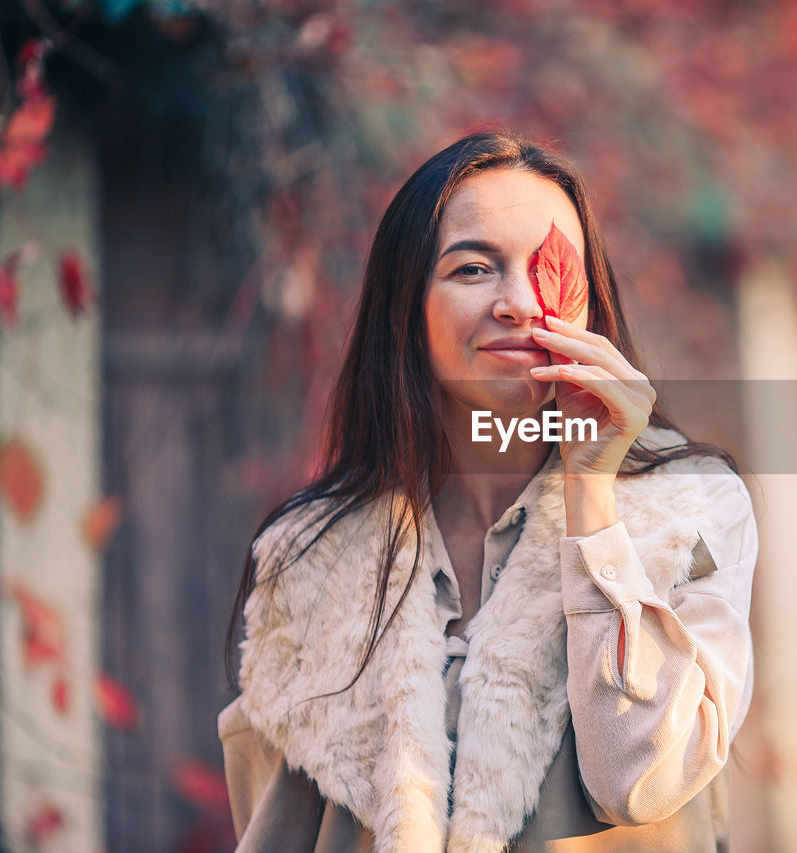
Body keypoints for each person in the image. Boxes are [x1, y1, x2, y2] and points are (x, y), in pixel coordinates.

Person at [218, 130, 759, 852]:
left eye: (550, 267)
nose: (520, 303)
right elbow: (275, 826)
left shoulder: (688, 511)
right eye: (474, 268)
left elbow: (639, 778)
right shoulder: (306, 555)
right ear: (406, 309)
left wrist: (592, 500)